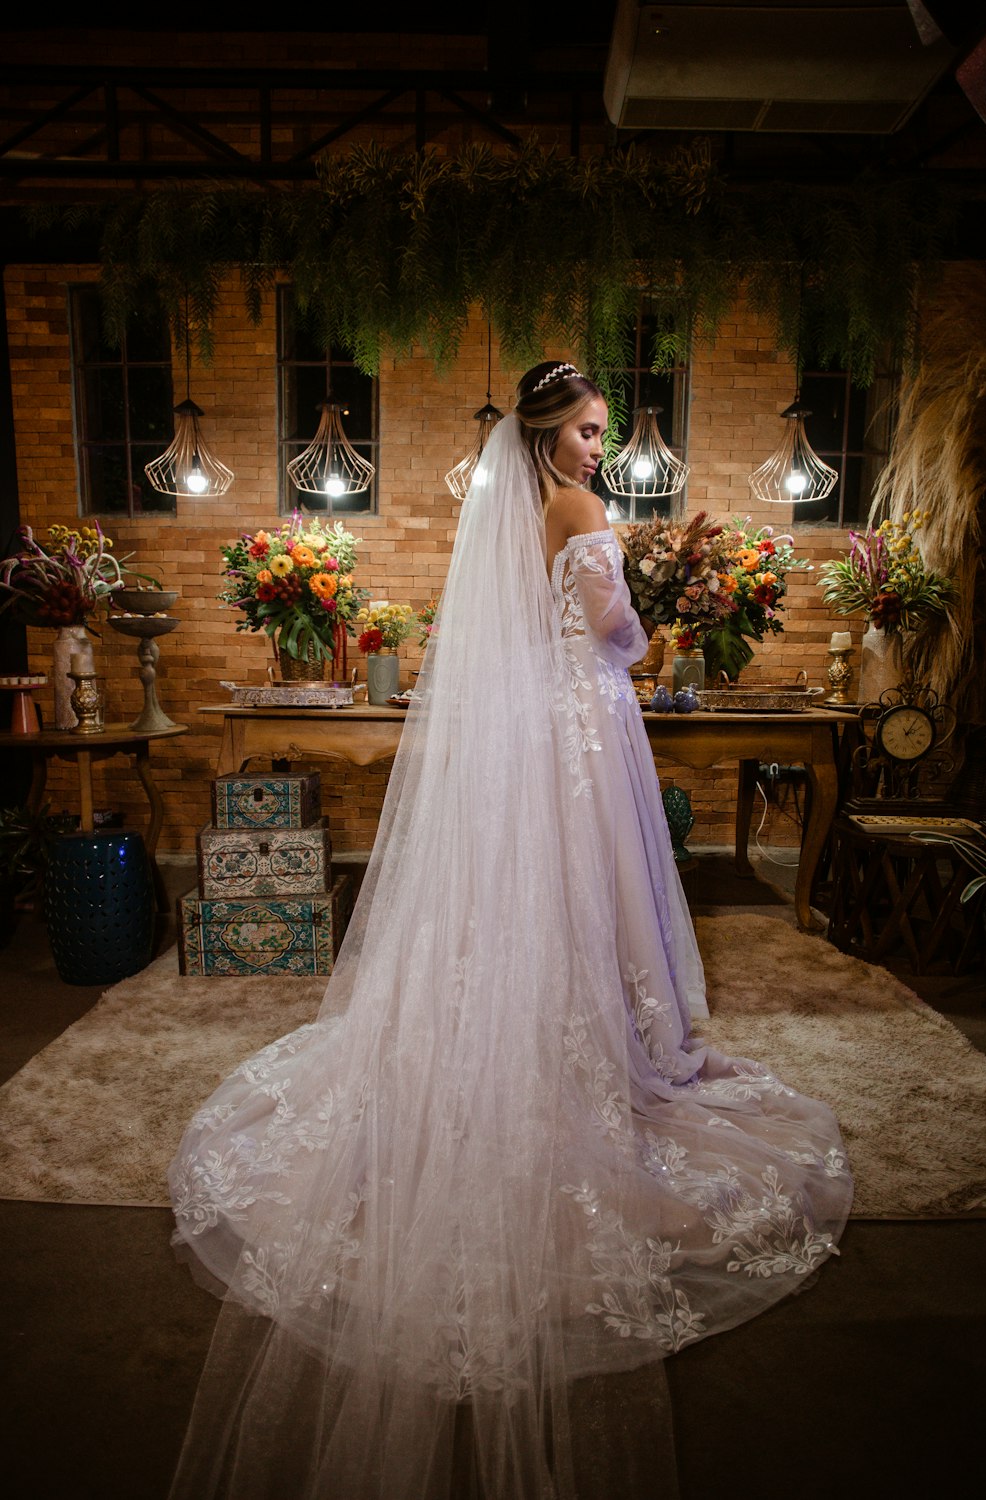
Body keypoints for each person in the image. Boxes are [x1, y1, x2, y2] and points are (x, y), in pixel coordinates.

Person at [167, 361, 852, 1500]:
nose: (597, 447)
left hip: (541, 726)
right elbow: (607, 622)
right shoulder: (578, 509)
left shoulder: (517, 510)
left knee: (537, 897)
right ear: (546, 436)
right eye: (585, 431)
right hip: (584, 725)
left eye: (597, 432)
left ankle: (540, 1023)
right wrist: (640, 625)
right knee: (595, 889)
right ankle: (600, 1043)